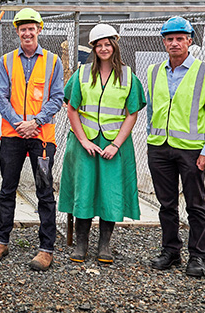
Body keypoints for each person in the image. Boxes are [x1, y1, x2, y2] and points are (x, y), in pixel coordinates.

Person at [0, 8, 64, 271]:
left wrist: (35, 122)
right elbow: (2, 96)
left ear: (39, 29)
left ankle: (46, 248)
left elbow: (57, 98)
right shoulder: (7, 61)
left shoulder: (53, 61)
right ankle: (1, 241)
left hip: (42, 138)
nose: (27, 32)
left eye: (32, 28)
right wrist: (20, 124)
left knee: (44, 192)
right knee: (7, 189)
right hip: (13, 137)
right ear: (17, 31)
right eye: (23, 28)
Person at [58, 24, 145, 265]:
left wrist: (116, 144)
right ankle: (81, 243)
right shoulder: (82, 74)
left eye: (108, 44)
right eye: (99, 45)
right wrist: (83, 140)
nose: (104, 48)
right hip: (84, 143)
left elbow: (132, 113)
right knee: (83, 191)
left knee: (111, 192)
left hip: (113, 145)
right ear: (93, 48)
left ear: (115, 46)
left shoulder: (128, 76)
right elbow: (72, 109)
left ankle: (105, 245)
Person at [146, 17, 205, 278]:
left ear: (190, 40)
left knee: (196, 205)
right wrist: (151, 138)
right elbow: (152, 110)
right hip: (159, 147)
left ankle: (198, 256)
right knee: (166, 204)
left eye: (180, 38)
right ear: (164, 42)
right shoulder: (154, 71)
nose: (175, 43)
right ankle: (171, 251)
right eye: (170, 39)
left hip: (192, 150)